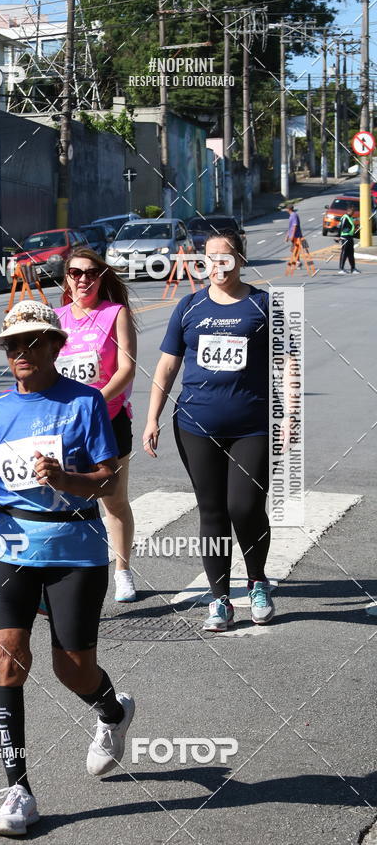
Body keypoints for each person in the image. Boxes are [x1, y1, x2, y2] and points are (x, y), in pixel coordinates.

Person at [0, 300, 135, 837]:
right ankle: (18, 790)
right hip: (6, 547)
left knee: (72, 669)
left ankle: (111, 710)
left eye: (32, 342)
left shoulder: (85, 403)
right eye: (12, 344)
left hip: (73, 550)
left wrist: (66, 481)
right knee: (6, 660)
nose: (20, 352)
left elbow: (106, 480)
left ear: (56, 347)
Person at [142, 230, 277, 633]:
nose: (218, 265)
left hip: (251, 425)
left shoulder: (264, 304)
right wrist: (152, 418)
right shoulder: (188, 307)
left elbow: (287, 362)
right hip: (195, 425)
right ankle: (220, 598)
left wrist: (288, 416)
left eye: (226, 257)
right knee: (212, 510)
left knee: (245, 507)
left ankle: (257, 582)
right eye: (211, 257)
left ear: (240, 259)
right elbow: (167, 366)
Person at [55, 247, 138, 602]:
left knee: (113, 501)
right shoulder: (55, 318)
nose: (83, 279)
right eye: (75, 273)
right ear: (67, 279)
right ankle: (67, 574)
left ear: (101, 278)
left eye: (90, 273)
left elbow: (127, 368)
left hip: (109, 420)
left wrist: (95, 401)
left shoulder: (115, 313)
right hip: (65, 426)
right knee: (62, 501)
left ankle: (122, 571)